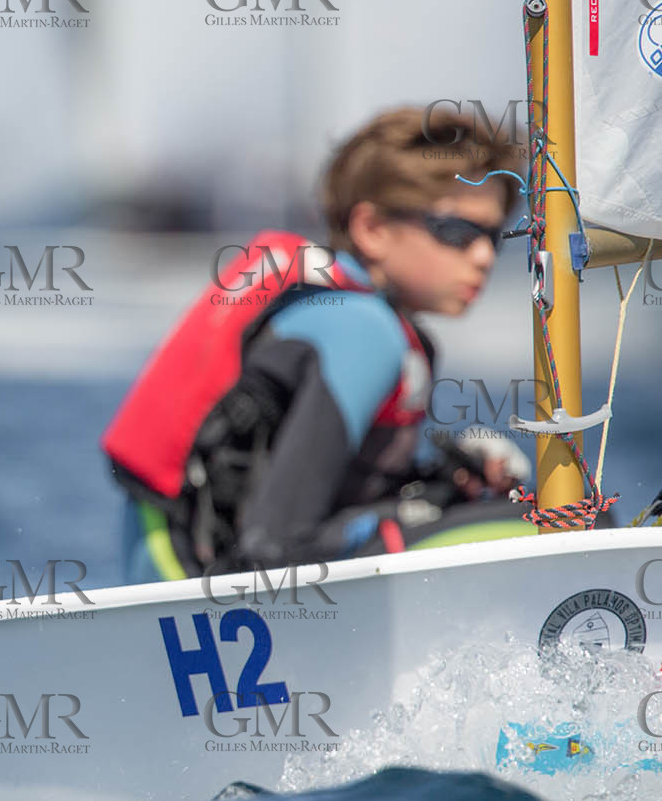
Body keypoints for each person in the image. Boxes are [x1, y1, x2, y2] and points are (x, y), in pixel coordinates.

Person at [101, 106, 536, 585]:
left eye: (494, 236)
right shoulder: (362, 331)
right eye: (457, 232)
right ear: (372, 229)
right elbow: (274, 551)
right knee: (539, 525)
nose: (483, 256)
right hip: (204, 600)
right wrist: (430, 509)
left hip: (188, 583)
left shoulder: (366, 321)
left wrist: (444, 484)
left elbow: (331, 501)